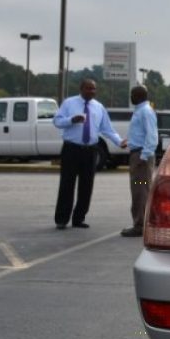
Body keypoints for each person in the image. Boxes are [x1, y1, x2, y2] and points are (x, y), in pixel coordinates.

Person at [53, 79, 126, 230]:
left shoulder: (99, 107)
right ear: (81, 89)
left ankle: (79, 218)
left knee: (87, 186)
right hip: (71, 149)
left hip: (90, 151)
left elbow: (107, 129)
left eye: (94, 89)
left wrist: (119, 141)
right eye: (88, 88)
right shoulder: (69, 103)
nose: (92, 91)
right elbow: (57, 121)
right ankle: (62, 219)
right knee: (67, 184)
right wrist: (71, 120)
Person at [121, 85, 158, 238]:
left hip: (141, 158)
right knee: (141, 190)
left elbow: (152, 136)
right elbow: (141, 134)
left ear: (139, 96)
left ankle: (140, 225)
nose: (130, 97)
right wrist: (128, 142)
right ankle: (143, 222)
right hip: (138, 155)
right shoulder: (141, 110)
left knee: (140, 190)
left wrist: (144, 156)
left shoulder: (145, 111)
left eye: (132, 94)